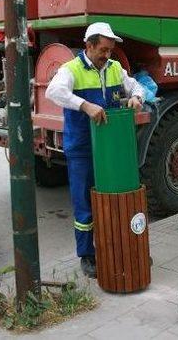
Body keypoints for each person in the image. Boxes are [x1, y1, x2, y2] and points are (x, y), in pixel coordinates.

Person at [46, 22, 145, 278]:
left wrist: (136, 97)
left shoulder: (114, 69)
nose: (107, 55)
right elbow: (53, 91)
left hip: (110, 148)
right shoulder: (71, 69)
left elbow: (136, 86)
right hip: (81, 148)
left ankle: (118, 247)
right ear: (89, 46)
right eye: (103, 49)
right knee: (84, 204)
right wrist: (84, 105)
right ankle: (87, 255)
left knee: (113, 198)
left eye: (110, 50)